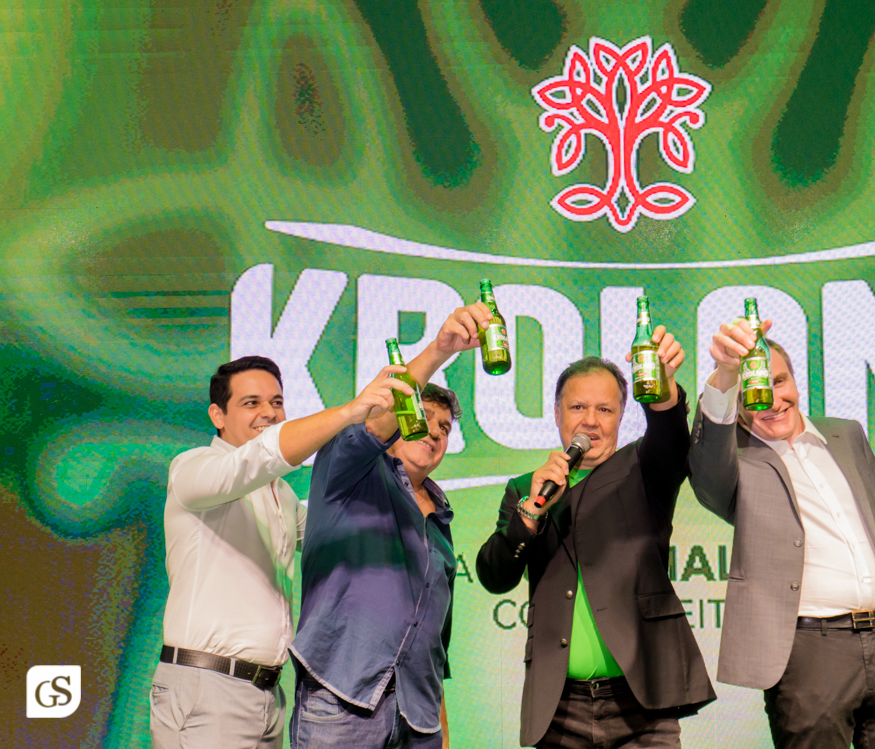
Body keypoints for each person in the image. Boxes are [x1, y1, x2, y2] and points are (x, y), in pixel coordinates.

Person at [689, 320, 875, 749]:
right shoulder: (733, 458)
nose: (773, 400)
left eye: (780, 381)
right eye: (756, 390)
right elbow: (707, 471)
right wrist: (726, 375)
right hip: (810, 654)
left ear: (795, 379)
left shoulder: (845, 435)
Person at [153, 354, 414, 749]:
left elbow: (337, 532)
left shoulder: (282, 495)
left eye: (277, 403)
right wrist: (348, 412)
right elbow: (257, 460)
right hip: (206, 688)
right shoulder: (193, 467)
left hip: (268, 694)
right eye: (251, 403)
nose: (269, 413)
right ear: (217, 415)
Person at [476, 326, 715, 749]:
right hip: (559, 707)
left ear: (623, 414)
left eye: (605, 410)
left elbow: (671, 438)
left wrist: (663, 390)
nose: (590, 420)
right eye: (578, 407)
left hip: (642, 703)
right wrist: (530, 515)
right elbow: (495, 576)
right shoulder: (527, 487)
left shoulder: (642, 468)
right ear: (556, 413)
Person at [288, 303, 492, 749]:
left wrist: (440, 729)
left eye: (445, 427)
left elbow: (435, 644)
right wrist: (441, 350)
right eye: (423, 418)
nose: (434, 432)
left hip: (418, 720)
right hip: (341, 701)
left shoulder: (440, 520)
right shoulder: (349, 469)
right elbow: (374, 418)